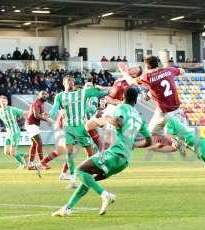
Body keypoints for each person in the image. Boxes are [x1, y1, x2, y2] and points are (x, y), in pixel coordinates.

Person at [52, 86, 152, 217]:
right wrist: (134, 144)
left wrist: (106, 117)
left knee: (79, 171)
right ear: (136, 100)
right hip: (124, 160)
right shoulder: (139, 118)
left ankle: (105, 195)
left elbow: (119, 122)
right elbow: (149, 141)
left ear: (123, 98)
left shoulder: (121, 108)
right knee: (87, 180)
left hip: (115, 154)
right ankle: (68, 208)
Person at [48, 75, 96, 188]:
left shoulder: (80, 94)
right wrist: (49, 115)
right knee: (69, 152)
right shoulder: (60, 96)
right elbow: (54, 109)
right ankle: (72, 178)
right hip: (68, 127)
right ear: (63, 83)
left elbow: (91, 109)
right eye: (68, 80)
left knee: (90, 152)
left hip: (83, 127)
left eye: (72, 81)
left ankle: (90, 172)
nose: (71, 83)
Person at [119, 56, 185, 136]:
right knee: (178, 136)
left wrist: (124, 72)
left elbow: (131, 82)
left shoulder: (148, 77)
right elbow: (182, 71)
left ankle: (170, 141)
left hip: (164, 112)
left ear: (147, 66)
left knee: (151, 135)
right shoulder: (168, 70)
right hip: (177, 109)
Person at [86, 66, 143, 150]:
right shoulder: (119, 80)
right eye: (133, 67)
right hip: (108, 109)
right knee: (89, 126)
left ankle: (106, 156)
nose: (132, 67)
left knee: (108, 140)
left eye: (135, 69)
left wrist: (112, 101)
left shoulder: (133, 85)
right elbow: (112, 90)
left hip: (117, 111)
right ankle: (101, 150)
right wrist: (102, 88)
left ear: (135, 75)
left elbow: (129, 104)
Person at [0, 95, 29, 168]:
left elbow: (23, 112)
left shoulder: (12, 109)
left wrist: (33, 112)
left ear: (7, 102)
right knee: (6, 152)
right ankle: (24, 155)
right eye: (2, 102)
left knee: (12, 152)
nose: (3, 103)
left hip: (15, 132)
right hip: (8, 134)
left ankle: (23, 164)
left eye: (5, 101)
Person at [25, 91, 49, 172]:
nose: (45, 96)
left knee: (34, 144)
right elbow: (36, 115)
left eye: (46, 94)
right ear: (39, 95)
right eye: (43, 94)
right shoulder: (37, 103)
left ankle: (30, 164)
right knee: (39, 143)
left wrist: (44, 115)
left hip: (32, 125)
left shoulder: (41, 104)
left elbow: (40, 114)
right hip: (31, 125)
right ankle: (42, 163)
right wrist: (46, 120)